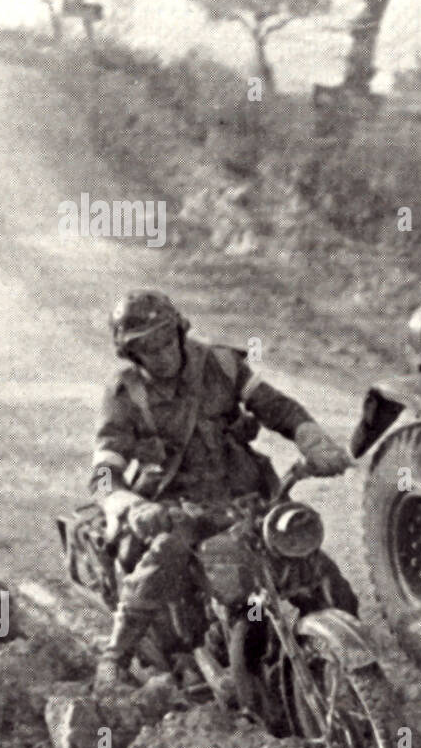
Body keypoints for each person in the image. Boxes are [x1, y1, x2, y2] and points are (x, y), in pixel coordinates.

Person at [90, 290, 353, 687]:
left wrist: (312, 440)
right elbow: (105, 470)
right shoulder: (125, 393)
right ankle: (116, 654)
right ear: (133, 355)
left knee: (311, 562)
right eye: (146, 348)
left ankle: (351, 659)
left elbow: (276, 407)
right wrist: (132, 506)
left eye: (165, 340)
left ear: (179, 332)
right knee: (168, 553)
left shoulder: (220, 364)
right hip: (178, 505)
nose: (161, 354)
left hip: (247, 494)